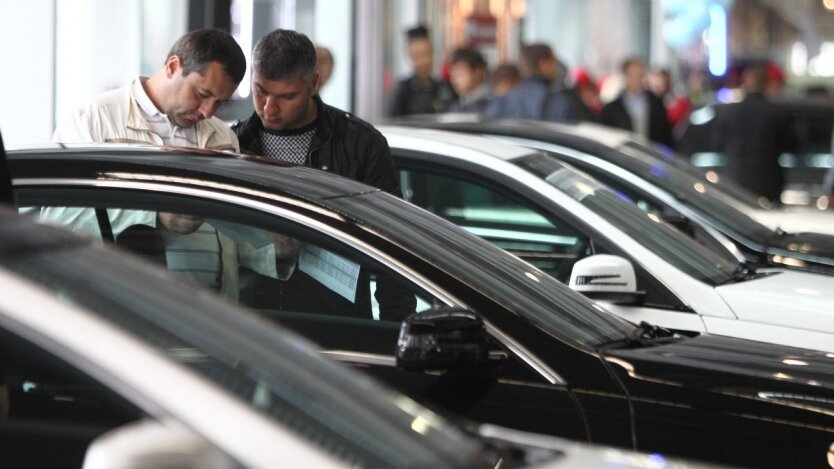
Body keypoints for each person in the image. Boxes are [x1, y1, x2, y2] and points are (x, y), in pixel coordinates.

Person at [232, 28, 415, 319]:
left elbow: (392, 243)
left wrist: (396, 330)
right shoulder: (234, 143)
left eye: (286, 96)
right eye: (260, 91)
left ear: (314, 83)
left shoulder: (360, 143)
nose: (269, 108)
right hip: (253, 318)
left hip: (336, 321)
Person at [53, 28, 245, 150]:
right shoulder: (92, 121)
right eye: (202, 94)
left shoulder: (224, 139)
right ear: (172, 67)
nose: (208, 112)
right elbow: (59, 211)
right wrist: (153, 217)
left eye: (219, 102)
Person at [713, 65, 795, 204]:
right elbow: (792, 145)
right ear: (766, 84)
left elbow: (716, 144)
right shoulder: (775, 113)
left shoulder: (729, 112)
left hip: (734, 179)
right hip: (767, 183)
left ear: (745, 83)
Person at [484, 44, 595, 123]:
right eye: (553, 61)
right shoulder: (563, 101)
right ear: (543, 63)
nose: (556, 66)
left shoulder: (502, 101)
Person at [601, 57, 674, 148]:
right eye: (633, 74)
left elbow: (665, 134)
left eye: (640, 74)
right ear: (625, 75)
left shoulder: (656, 103)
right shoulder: (612, 108)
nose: (637, 79)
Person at [388, 25, 456, 117]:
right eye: (418, 55)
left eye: (428, 53)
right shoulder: (404, 90)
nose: (425, 60)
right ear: (410, 56)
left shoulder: (444, 87)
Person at [448, 47, 491, 113]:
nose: (454, 80)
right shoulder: (457, 103)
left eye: (459, 74)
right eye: (453, 75)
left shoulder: (491, 104)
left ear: (478, 72)